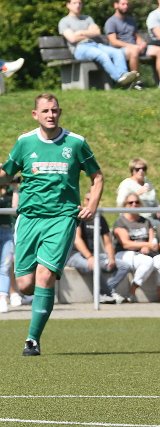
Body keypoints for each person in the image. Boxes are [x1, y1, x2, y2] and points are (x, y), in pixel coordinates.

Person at [0, 93, 104, 356]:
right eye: (45, 111)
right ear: (35, 114)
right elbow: (6, 174)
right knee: (25, 284)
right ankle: (39, 298)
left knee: (45, 275)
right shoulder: (25, 142)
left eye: (54, 110)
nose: (50, 115)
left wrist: (92, 205)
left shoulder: (76, 143)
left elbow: (97, 176)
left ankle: (32, 340)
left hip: (62, 218)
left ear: (60, 112)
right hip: (29, 218)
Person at [65, 192, 129, 304]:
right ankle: (107, 294)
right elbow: (77, 240)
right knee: (94, 264)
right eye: (87, 199)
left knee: (123, 266)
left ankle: (106, 291)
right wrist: (89, 257)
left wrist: (111, 258)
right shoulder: (79, 216)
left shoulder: (100, 218)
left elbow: (108, 242)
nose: (90, 202)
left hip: (95, 255)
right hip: (75, 255)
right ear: (84, 201)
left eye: (93, 200)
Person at [58, 0, 138, 88]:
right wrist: (89, 33)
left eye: (80, 3)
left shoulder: (87, 18)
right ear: (68, 5)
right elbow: (72, 39)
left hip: (94, 45)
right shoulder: (64, 21)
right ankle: (119, 78)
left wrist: (80, 32)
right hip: (80, 48)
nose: (78, 5)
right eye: (74, 3)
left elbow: (97, 32)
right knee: (103, 55)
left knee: (117, 52)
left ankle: (124, 75)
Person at [113, 193, 160, 303]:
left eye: (137, 202)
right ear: (125, 205)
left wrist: (148, 247)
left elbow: (152, 242)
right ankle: (132, 291)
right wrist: (145, 245)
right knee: (147, 261)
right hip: (125, 253)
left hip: (146, 252)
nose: (134, 204)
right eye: (130, 202)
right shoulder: (120, 222)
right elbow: (126, 244)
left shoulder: (146, 221)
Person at [105, 0, 160, 90]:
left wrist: (142, 43)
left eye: (127, 4)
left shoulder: (130, 20)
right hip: (120, 50)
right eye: (123, 4)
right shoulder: (111, 22)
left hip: (135, 47)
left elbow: (135, 36)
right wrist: (131, 46)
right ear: (116, 5)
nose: (126, 6)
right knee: (134, 51)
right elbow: (113, 41)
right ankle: (136, 82)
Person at [116, 158, 160, 227]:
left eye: (143, 169)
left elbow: (156, 202)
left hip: (152, 218)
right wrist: (137, 194)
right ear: (132, 171)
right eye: (137, 169)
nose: (141, 171)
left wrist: (159, 209)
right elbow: (120, 204)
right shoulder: (126, 184)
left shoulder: (148, 183)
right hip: (136, 219)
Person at [0, 176, 18, 313]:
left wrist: (15, 188)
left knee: (5, 266)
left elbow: (15, 208)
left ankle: (2, 298)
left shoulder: (10, 192)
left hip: (7, 231)